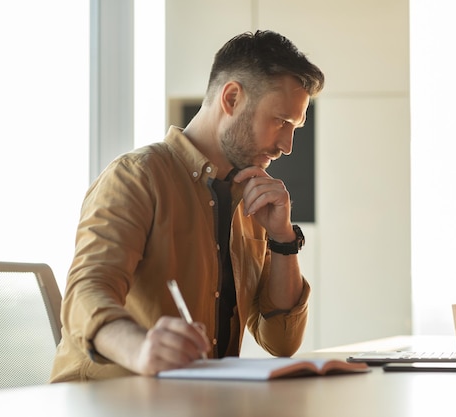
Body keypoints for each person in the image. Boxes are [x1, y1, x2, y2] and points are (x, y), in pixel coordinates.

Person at [50, 29, 325, 382]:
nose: (287, 145)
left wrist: (284, 239)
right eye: (280, 121)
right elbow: (85, 293)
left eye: (295, 128)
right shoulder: (136, 176)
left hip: (195, 400)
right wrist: (141, 350)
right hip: (107, 401)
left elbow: (282, 343)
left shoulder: (252, 200)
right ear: (232, 98)